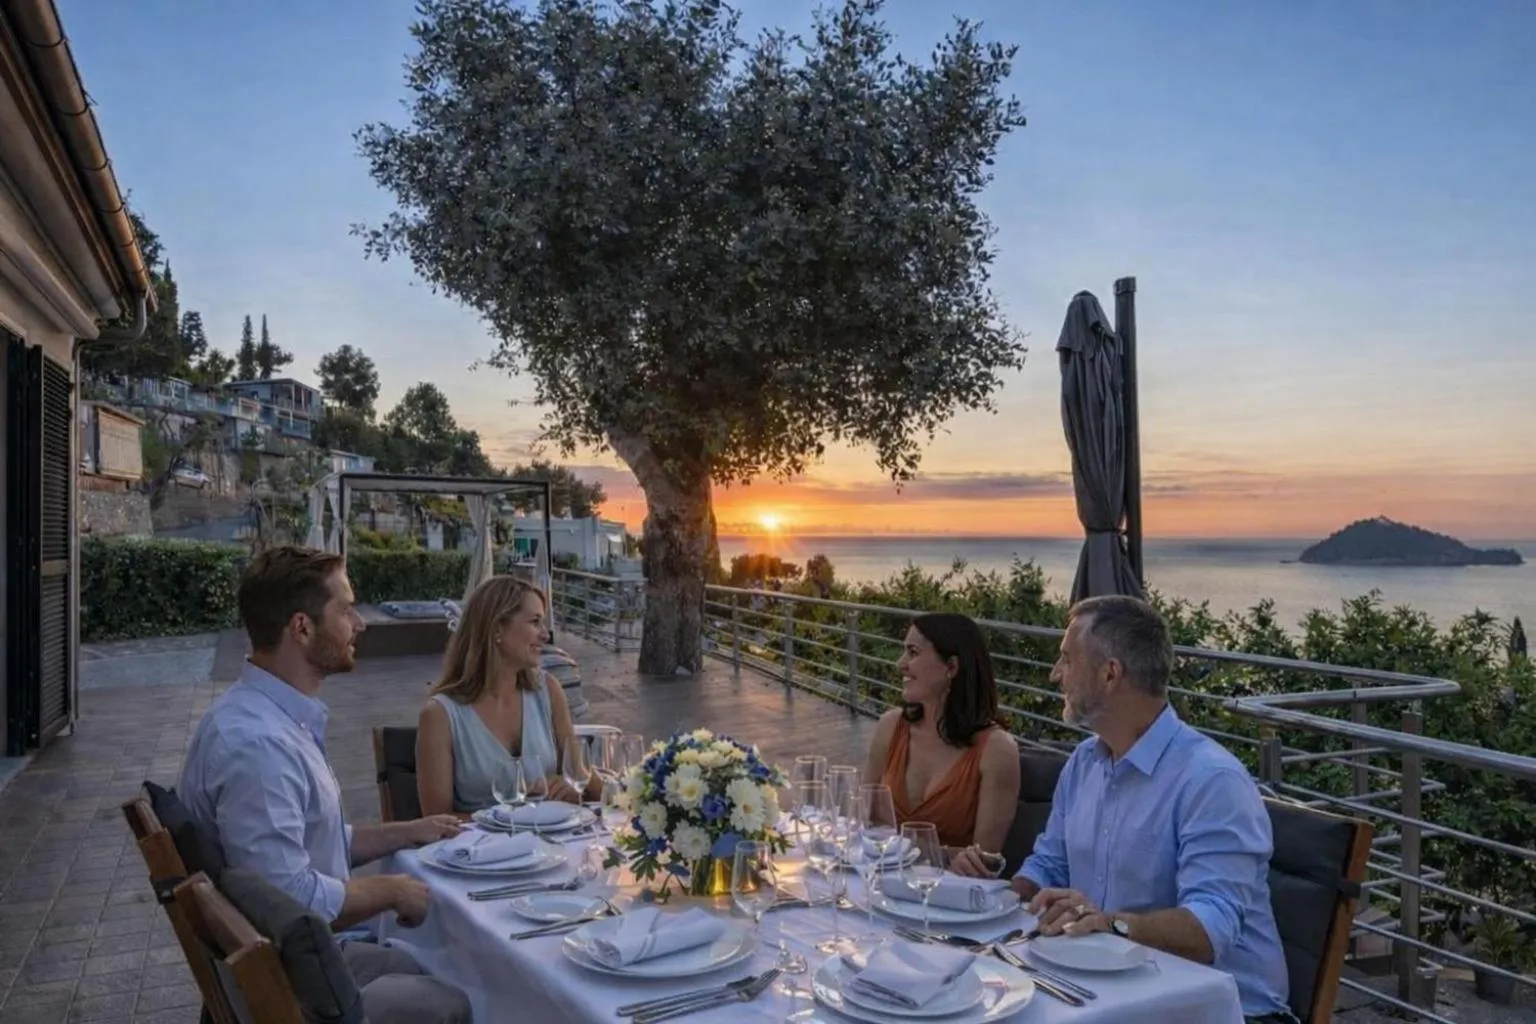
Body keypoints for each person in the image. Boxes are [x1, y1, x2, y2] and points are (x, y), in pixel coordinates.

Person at [179, 545, 470, 1024]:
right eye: (347, 609)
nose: (360, 623)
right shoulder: (257, 746)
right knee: (458, 1002)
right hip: (284, 988)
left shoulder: (267, 717)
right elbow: (289, 898)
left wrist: (409, 830)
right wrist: (392, 890)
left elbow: (313, 845)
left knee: (444, 965)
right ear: (301, 627)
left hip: (293, 959)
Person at [1012, 595, 1293, 1024]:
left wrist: (1111, 925)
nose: (1055, 674)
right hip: (1111, 992)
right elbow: (1050, 862)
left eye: (1066, 659)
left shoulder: (1211, 780)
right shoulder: (1085, 763)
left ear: (1110, 673)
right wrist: (994, 901)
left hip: (1225, 1010)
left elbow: (1210, 929)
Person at [417, 574, 597, 815]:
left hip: (551, 847)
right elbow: (436, 822)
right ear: (497, 628)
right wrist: (513, 814)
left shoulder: (548, 691)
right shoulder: (440, 715)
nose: (545, 635)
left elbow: (583, 778)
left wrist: (575, 792)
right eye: (535, 622)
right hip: (481, 850)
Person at [863, 613, 1019, 876]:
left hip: (948, 902)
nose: (900, 664)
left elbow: (983, 863)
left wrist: (903, 847)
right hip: (878, 888)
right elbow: (858, 819)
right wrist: (943, 852)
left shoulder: (996, 750)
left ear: (952, 667)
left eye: (913, 652)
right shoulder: (890, 727)